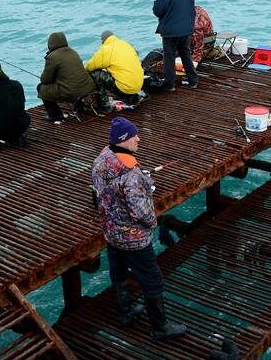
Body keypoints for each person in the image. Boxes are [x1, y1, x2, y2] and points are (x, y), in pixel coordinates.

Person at [91, 117, 187, 340]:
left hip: (111, 233)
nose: (138, 139)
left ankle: (126, 312)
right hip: (133, 240)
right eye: (134, 136)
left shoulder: (101, 161)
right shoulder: (132, 176)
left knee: (118, 272)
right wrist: (153, 220)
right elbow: (143, 214)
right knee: (152, 279)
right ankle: (160, 327)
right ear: (123, 140)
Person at [152, 0, 198, 91]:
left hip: (170, 32)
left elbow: (157, 11)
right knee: (186, 54)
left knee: (169, 57)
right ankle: (193, 81)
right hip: (186, 30)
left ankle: (170, 84)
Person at [37, 32, 97, 122]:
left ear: (50, 44)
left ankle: (55, 115)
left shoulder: (52, 57)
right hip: (87, 88)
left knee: (41, 87)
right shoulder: (73, 52)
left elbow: (45, 80)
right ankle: (79, 108)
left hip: (73, 92)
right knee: (73, 82)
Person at [85, 30, 148, 107]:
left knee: (95, 74)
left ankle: (104, 104)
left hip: (126, 88)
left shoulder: (106, 49)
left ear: (103, 41)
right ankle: (130, 96)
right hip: (139, 84)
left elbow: (90, 66)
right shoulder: (125, 44)